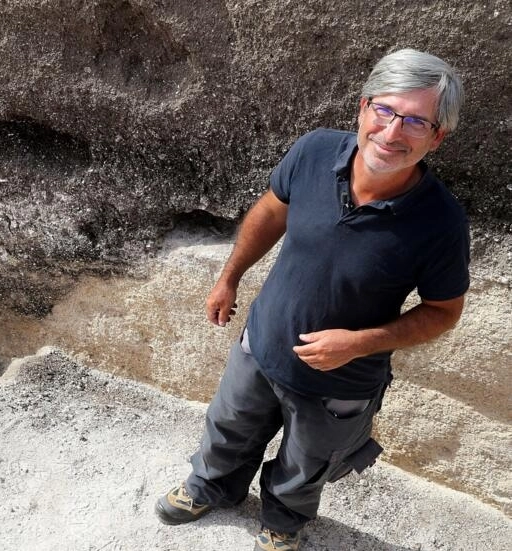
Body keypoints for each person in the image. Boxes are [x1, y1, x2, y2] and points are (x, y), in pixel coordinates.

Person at [154, 49, 469, 551]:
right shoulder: (315, 151)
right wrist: (230, 276)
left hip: (341, 381)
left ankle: (283, 522)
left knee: (306, 465)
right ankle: (210, 488)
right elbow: (271, 212)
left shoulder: (442, 224)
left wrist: (359, 343)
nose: (391, 133)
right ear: (363, 108)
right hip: (261, 344)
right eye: (385, 111)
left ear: (437, 136)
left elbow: (443, 313)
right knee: (227, 427)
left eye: (415, 121)